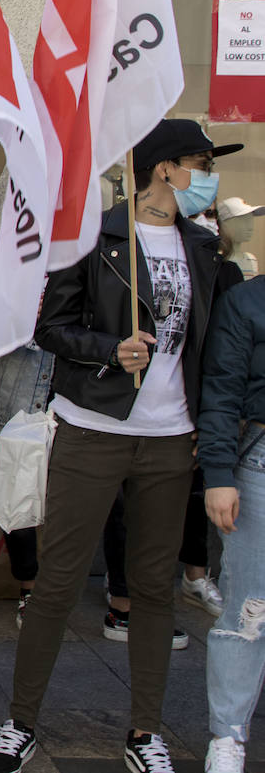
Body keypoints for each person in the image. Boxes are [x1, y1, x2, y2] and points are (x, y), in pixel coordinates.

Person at [0, 118, 240, 773]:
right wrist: (109, 348)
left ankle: (145, 732)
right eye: (200, 164)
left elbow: (208, 352)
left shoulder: (205, 249)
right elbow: (52, 328)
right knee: (58, 584)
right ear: (163, 168)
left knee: (153, 590)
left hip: (170, 441)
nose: (209, 177)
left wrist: (207, 435)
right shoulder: (94, 236)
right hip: (93, 429)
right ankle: (20, 723)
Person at [197, 274, 265, 773]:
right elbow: (221, 389)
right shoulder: (246, 302)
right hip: (259, 465)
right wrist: (219, 474)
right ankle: (229, 736)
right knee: (249, 608)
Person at [0, 257, 52, 627]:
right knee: (19, 501)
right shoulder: (9, 259)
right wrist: (22, 312)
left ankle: (57, 589)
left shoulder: (88, 262)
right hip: (13, 404)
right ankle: (29, 589)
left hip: (69, 404)